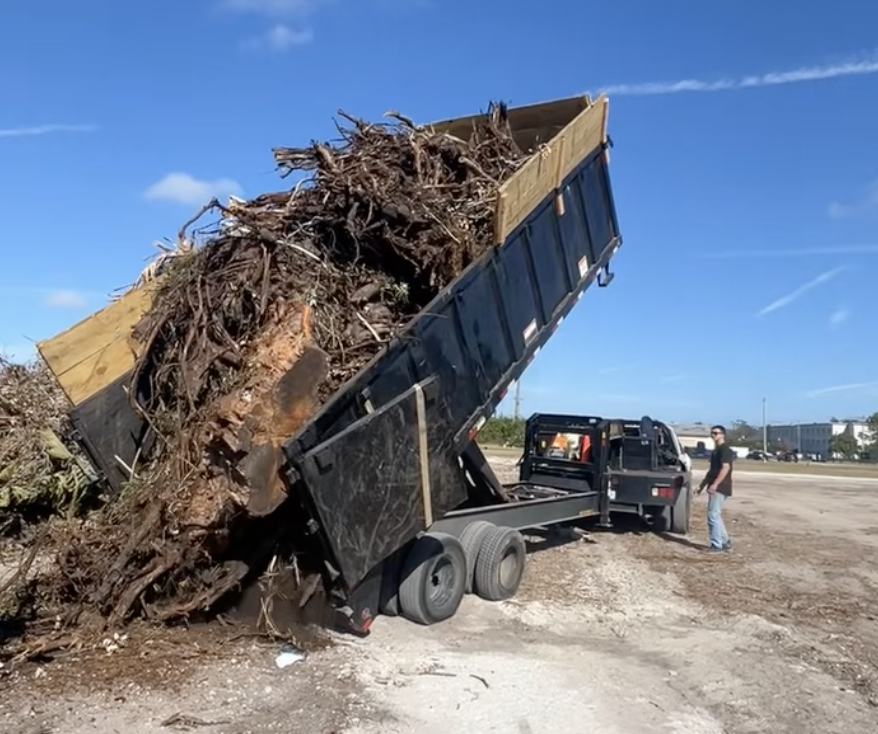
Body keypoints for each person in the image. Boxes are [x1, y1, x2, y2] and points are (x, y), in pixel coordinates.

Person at [697, 424, 735, 552]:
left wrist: (715, 484)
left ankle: (716, 545)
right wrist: (702, 486)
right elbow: (712, 471)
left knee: (713, 515)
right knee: (716, 515)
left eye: (716, 433)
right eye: (712, 433)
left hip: (721, 487)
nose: (714, 435)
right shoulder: (716, 451)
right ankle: (725, 541)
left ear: (722, 434)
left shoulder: (724, 450)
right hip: (715, 486)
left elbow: (726, 468)